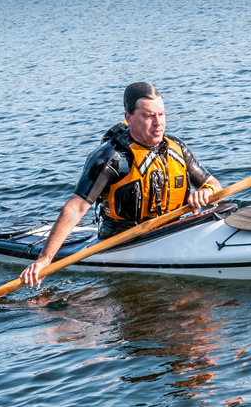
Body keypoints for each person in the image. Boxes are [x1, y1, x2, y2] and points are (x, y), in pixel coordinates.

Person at [20, 82, 222, 287]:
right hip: (122, 243)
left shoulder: (176, 147)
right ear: (128, 118)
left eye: (161, 114)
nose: (158, 123)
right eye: (148, 116)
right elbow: (76, 207)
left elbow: (214, 184)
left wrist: (207, 191)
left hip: (174, 231)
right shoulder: (110, 157)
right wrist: (45, 259)